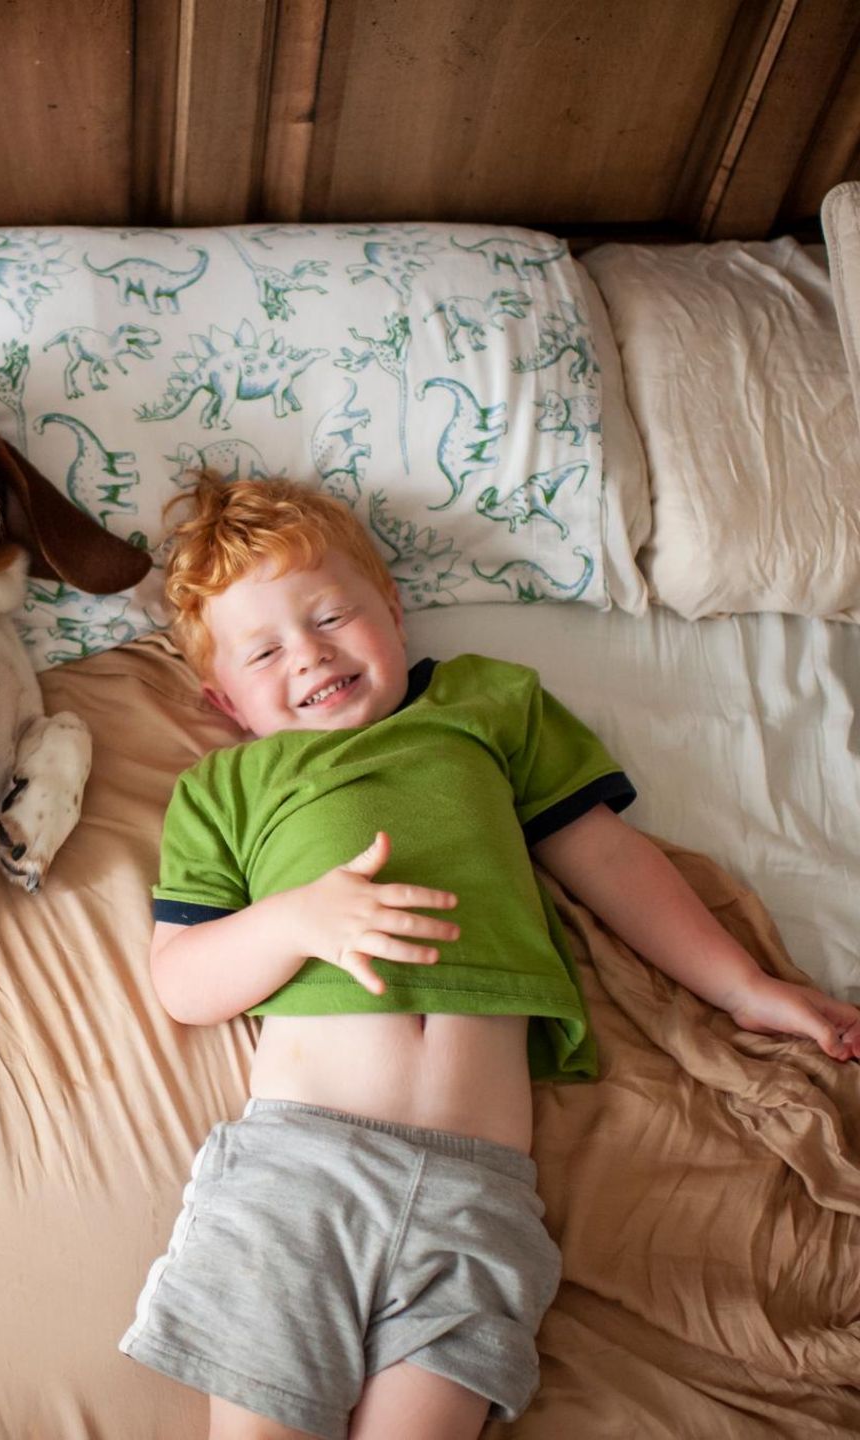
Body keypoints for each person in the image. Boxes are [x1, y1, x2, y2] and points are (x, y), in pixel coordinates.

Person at [118, 476, 860, 1440]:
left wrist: (745, 988)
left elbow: (606, 857)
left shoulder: (486, 704)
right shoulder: (226, 785)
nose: (311, 655)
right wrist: (298, 922)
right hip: (303, 1170)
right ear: (225, 701)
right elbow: (181, 980)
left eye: (333, 614)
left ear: (392, 604)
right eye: (266, 651)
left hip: (479, 1195)